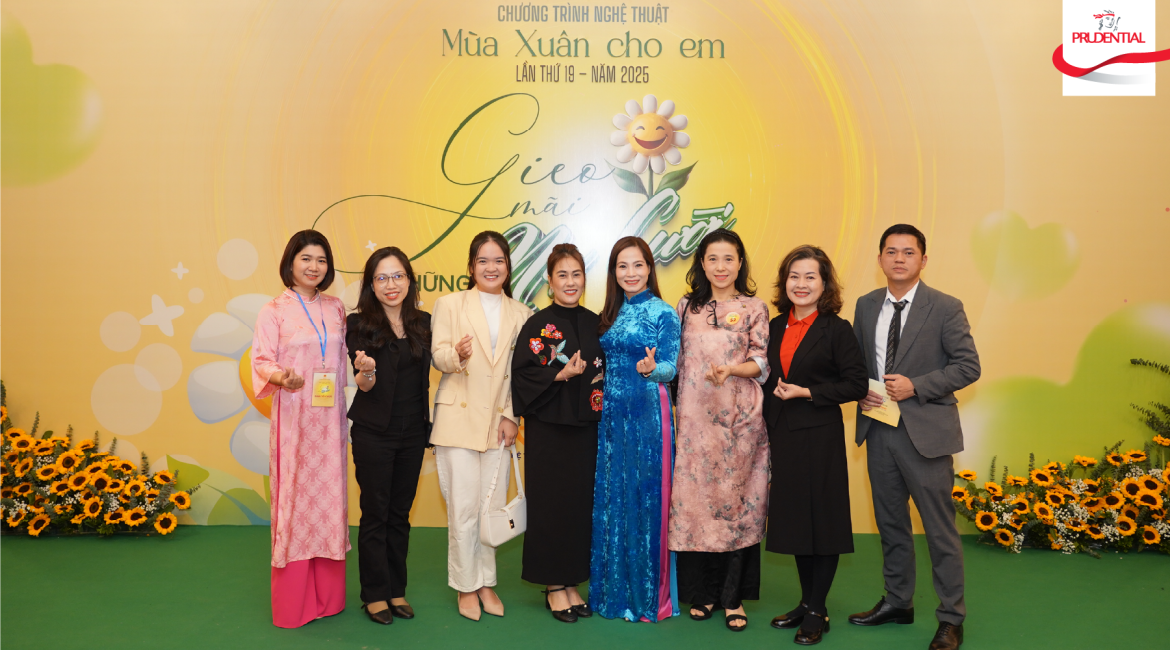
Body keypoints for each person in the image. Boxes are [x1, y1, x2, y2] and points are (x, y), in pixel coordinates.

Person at [847, 224, 980, 650]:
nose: (899, 258)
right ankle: (898, 602)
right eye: (891, 251)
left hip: (927, 434)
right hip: (879, 428)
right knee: (890, 523)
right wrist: (859, 390)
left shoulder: (945, 306)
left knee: (939, 530)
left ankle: (951, 618)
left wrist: (917, 386)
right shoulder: (866, 305)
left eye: (908, 252)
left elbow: (968, 366)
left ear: (923, 259)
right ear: (880, 259)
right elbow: (858, 365)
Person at [762, 245, 868, 645]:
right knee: (795, 523)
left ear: (825, 285)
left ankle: (818, 609)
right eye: (794, 276)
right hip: (782, 436)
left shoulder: (836, 329)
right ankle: (807, 603)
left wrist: (807, 392)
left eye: (810, 277)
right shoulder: (774, 325)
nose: (801, 284)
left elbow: (856, 384)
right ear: (784, 282)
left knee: (822, 523)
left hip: (819, 436)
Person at [668, 229, 770, 632]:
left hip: (737, 422)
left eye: (729, 258)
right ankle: (704, 593)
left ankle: (733, 597)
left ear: (740, 262)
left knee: (735, 507)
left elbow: (760, 361)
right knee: (697, 506)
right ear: (702, 263)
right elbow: (675, 362)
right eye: (713, 258)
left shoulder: (754, 307)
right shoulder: (685, 307)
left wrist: (731, 369)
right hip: (694, 423)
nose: (721, 266)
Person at [430, 230, 533, 622]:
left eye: (499, 260)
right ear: (471, 266)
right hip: (457, 418)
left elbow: (521, 374)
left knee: (490, 507)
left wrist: (511, 414)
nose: (491, 268)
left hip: (498, 424)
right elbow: (437, 355)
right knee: (463, 508)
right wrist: (456, 355)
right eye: (483, 261)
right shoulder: (450, 304)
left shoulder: (522, 313)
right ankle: (465, 585)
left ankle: (486, 582)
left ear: (508, 266)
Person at [250, 230, 350, 628]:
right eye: (306, 258)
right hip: (294, 420)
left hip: (330, 422)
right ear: (291, 262)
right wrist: (282, 377)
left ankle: (329, 598)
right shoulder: (273, 310)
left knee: (330, 502)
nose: (314, 267)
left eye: (321, 260)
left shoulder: (337, 307)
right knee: (294, 502)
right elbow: (261, 359)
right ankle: (295, 604)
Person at [590, 236, 682, 623]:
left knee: (646, 502)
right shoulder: (609, 313)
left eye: (638, 265)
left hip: (648, 416)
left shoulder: (664, 313)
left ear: (649, 268)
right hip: (613, 420)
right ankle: (614, 593)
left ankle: (649, 598)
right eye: (622, 266)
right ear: (614, 272)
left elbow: (671, 367)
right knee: (615, 500)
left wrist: (652, 369)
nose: (631, 273)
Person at [511, 243, 604, 624]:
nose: (570, 282)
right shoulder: (537, 324)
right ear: (549, 281)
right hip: (548, 430)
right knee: (550, 507)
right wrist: (559, 374)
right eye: (562, 275)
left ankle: (572, 581)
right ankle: (553, 585)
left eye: (576, 274)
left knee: (579, 507)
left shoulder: (597, 322)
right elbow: (521, 375)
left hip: (587, 430)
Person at [345, 247, 431, 625]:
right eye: (381, 278)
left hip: (413, 432)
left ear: (409, 280)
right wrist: (366, 370)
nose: (390, 284)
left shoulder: (424, 323)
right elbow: (364, 385)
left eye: (397, 276)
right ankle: (374, 594)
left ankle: (397, 589)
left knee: (400, 515)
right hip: (374, 433)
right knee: (375, 513)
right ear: (371, 285)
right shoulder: (358, 324)